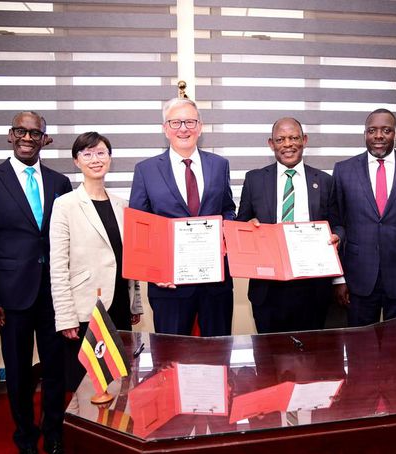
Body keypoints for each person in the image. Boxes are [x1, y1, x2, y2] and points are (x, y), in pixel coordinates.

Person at [0, 111, 72, 454]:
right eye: (20, 131)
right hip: (10, 297)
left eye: (35, 132)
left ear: (45, 139)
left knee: (56, 369)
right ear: (10, 135)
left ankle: (54, 435)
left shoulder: (60, 183)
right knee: (18, 372)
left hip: (55, 294)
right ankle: (26, 440)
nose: (27, 137)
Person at [129, 97, 236, 336]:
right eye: (175, 122)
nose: (183, 129)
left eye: (189, 122)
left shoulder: (220, 165)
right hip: (169, 285)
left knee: (217, 356)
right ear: (165, 129)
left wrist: (224, 235)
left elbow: (228, 208)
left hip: (215, 282)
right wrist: (153, 272)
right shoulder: (145, 170)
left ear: (200, 126)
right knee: (171, 359)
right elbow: (139, 226)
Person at [50, 132, 143, 391]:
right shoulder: (65, 205)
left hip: (120, 307)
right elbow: (58, 267)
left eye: (101, 153)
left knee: (120, 380)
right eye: (87, 154)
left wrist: (136, 305)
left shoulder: (123, 206)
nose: (95, 159)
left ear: (110, 159)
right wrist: (65, 317)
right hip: (84, 309)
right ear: (76, 161)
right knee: (86, 385)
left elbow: (129, 260)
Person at [330, 108, 396, 326]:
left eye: (386, 130)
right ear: (365, 134)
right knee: (360, 350)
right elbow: (337, 225)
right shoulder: (343, 170)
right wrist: (338, 279)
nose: (378, 136)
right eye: (372, 130)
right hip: (357, 280)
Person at [236, 117, 335, 332]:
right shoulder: (254, 180)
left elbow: (339, 225)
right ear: (271, 144)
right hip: (268, 289)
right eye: (280, 139)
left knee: (311, 358)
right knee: (268, 358)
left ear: (304, 140)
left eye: (294, 138)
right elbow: (240, 223)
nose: (287, 144)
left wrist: (337, 237)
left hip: (312, 288)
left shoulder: (325, 181)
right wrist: (248, 228)